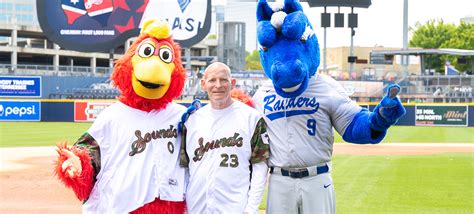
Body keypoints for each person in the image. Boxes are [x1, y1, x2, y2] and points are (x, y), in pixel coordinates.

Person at [253, 0, 406, 213]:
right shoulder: (262, 94)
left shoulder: (326, 87)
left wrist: (379, 119)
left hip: (317, 178)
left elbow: (353, 125)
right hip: (279, 180)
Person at [180, 62, 270, 214]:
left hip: (235, 207)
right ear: (203, 84)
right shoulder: (192, 121)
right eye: (212, 80)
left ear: (232, 83)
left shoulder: (251, 117)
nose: (218, 85)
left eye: (223, 80)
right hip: (197, 206)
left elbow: (260, 166)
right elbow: (184, 168)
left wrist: (251, 208)